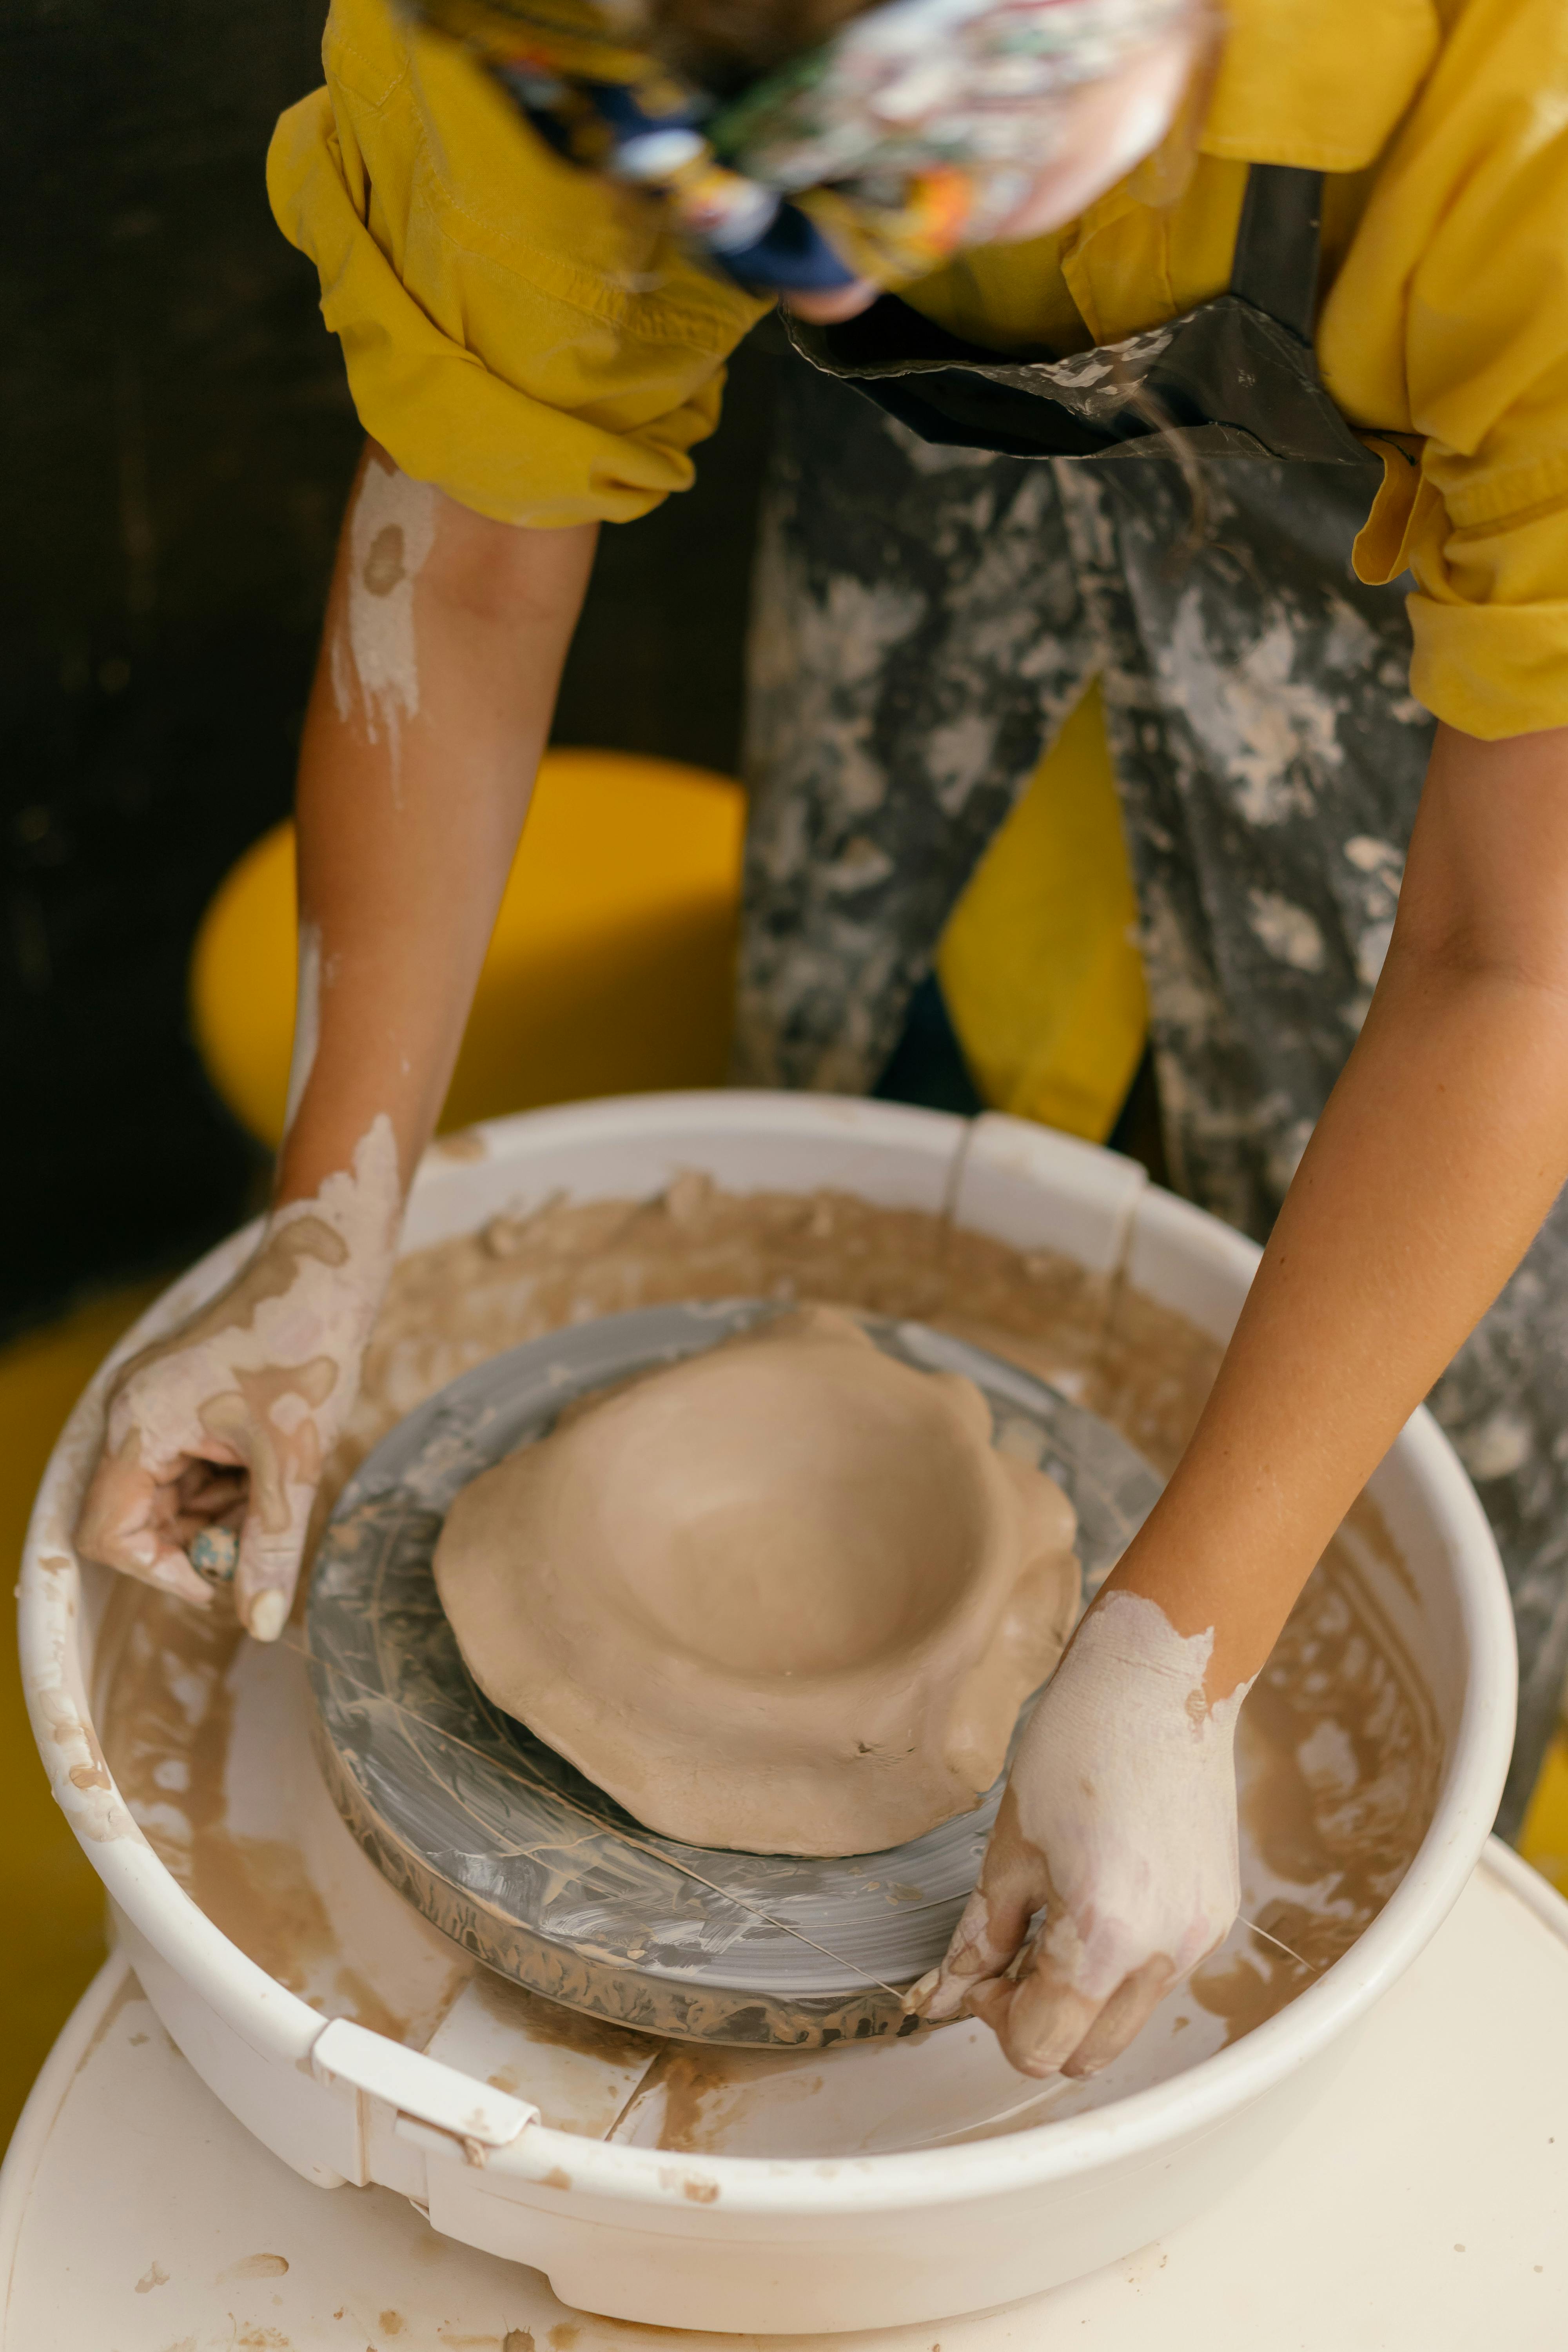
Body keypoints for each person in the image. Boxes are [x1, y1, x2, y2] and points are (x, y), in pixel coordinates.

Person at [78, 0, 1568, 2082]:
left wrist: (1180, 1649)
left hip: (1467, 704)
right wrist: (327, 1237)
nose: (839, 283)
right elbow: (479, 555)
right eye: (767, 220)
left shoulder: (1524, 110)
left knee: (1413, 1520)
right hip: (932, 560)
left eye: (898, 194)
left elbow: (1523, 960)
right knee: (871, 1144)